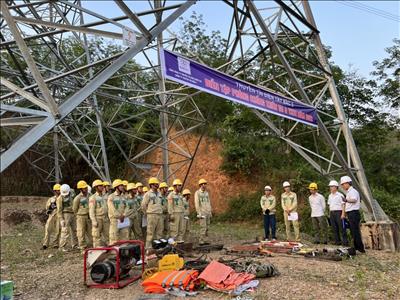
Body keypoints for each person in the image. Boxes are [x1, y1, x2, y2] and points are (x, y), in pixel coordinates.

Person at [340, 176, 365, 253]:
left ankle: (360, 249)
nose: (343, 186)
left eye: (343, 184)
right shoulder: (349, 192)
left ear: (348, 183)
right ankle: (357, 247)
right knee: (353, 231)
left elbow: (354, 199)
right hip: (351, 213)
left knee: (355, 231)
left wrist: (346, 200)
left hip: (354, 213)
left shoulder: (353, 191)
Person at [141, 177, 164, 249]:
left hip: (159, 214)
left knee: (159, 232)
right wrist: (147, 213)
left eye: (157, 184)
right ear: (151, 185)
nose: (157, 185)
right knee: (150, 232)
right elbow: (143, 205)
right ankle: (148, 247)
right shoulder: (148, 194)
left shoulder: (159, 194)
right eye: (156, 184)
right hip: (151, 215)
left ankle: (158, 247)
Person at [57, 184, 78, 252]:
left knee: (75, 230)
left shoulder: (72, 192)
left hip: (73, 213)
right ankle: (62, 246)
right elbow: (59, 210)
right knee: (65, 231)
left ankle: (75, 245)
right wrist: (61, 219)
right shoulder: (60, 198)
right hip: (65, 213)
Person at [327, 180, 348, 246]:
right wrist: (329, 213)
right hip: (332, 212)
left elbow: (343, 204)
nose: (330, 188)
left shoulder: (340, 195)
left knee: (341, 227)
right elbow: (329, 205)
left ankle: (345, 242)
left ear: (336, 187)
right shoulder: (330, 196)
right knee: (334, 227)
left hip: (339, 212)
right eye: (330, 186)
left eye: (332, 186)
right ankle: (337, 241)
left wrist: (343, 213)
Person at [108, 179, 129, 245]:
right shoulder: (111, 197)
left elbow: (127, 206)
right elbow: (112, 209)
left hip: (123, 219)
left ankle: (124, 253)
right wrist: (119, 216)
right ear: (116, 187)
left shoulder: (124, 196)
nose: (122, 187)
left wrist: (124, 215)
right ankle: (114, 254)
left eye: (122, 185)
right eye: (121, 186)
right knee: (114, 237)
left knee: (125, 237)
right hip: (115, 220)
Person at [73, 180, 92, 250]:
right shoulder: (77, 198)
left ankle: (93, 245)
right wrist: (78, 216)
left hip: (89, 216)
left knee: (91, 231)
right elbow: (74, 209)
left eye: (86, 187)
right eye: (84, 188)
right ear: (80, 189)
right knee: (81, 232)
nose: (86, 189)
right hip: (81, 217)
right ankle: (83, 247)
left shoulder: (90, 195)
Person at [89, 179, 108, 247]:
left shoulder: (106, 196)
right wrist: (94, 220)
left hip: (106, 218)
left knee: (108, 235)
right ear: (96, 187)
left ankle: (109, 250)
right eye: (100, 186)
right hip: (98, 218)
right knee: (96, 236)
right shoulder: (93, 197)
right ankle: (97, 250)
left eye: (102, 185)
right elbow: (91, 210)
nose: (102, 187)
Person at [42, 183, 61, 249]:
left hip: (59, 216)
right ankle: (45, 244)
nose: (59, 191)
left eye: (60, 190)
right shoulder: (51, 199)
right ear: (55, 191)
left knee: (58, 230)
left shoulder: (63, 199)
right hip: (52, 215)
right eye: (58, 190)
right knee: (47, 229)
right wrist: (50, 207)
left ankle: (55, 244)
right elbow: (47, 208)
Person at [194, 178, 212, 245]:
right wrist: (199, 213)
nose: (204, 185)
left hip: (207, 212)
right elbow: (197, 204)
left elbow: (208, 202)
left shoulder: (206, 193)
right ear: (200, 185)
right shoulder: (197, 193)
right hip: (202, 213)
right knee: (203, 227)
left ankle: (206, 240)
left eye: (205, 184)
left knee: (207, 227)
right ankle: (201, 241)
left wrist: (210, 212)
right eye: (202, 184)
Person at [168, 179, 185, 243]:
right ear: (175, 186)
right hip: (175, 213)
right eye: (179, 185)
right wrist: (171, 214)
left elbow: (182, 204)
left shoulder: (180, 195)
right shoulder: (171, 195)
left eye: (180, 185)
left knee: (181, 228)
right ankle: (173, 242)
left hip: (181, 213)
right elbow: (170, 205)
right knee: (174, 229)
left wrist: (183, 212)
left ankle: (180, 240)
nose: (180, 187)